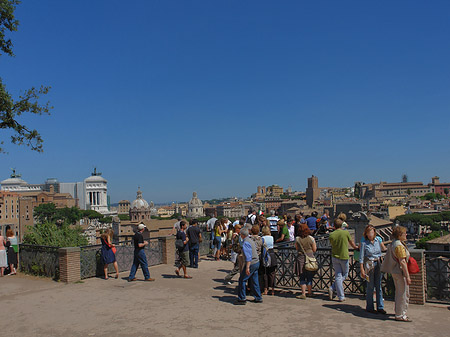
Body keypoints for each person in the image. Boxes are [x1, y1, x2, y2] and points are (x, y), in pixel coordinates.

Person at [328, 218, 358, 301]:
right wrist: (355, 247)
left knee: (338, 275)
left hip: (334, 256)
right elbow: (351, 242)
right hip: (344, 256)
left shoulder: (331, 234)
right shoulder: (345, 232)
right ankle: (335, 290)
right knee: (345, 274)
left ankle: (337, 292)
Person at [359, 225, 387, 314]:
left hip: (378, 263)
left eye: (371, 232)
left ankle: (380, 307)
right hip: (369, 265)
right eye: (368, 232)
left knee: (379, 286)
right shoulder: (364, 243)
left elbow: (383, 250)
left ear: (374, 233)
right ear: (366, 234)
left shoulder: (378, 241)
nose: (370, 234)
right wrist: (362, 269)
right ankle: (370, 307)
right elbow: (361, 258)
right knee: (370, 286)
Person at [389, 226, 412, 322]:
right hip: (400, 272)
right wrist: (407, 276)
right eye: (404, 233)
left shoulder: (394, 243)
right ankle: (400, 314)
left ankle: (399, 312)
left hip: (395, 271)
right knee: (403, 294)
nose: (406, 234)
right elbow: (402, 262)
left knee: (399, 292)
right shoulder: (398, 245)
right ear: (399, 235)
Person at [235, 228, 263, 305]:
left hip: (251, 263)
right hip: (256, 261)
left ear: (242, 235)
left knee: (242, 280)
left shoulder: (246, 242)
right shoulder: (250, 240)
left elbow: (248, 256)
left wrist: (247, 267)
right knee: (255, 280)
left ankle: (242, 298)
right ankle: (258, 297)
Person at [295, 223, 317, 299]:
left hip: (301, 257)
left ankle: (303, 293)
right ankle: (310, 292)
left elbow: (297, 248)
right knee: (309, 276)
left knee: (302, 276)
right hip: (310, 257)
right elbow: (314, 249)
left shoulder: (297, 239)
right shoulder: (311, 238)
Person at [261, 226, 276, 295]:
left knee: (265, 273)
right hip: (272, 254)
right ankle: (272, 289)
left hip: (266, 254)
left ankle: (265, 289)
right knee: (272, 273)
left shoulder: (262, 238)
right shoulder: (271, 237)